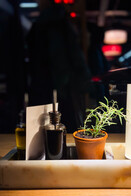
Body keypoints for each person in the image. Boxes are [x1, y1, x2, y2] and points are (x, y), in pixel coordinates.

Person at [27, 0, 91, 132]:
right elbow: (75, 57)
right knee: (66, 123)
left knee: (39, 126)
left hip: (40, 82)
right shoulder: (63, 25)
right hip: (63, 84)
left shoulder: (38, 25)